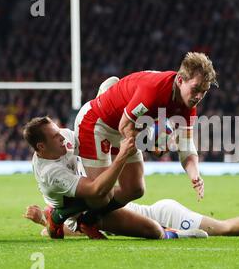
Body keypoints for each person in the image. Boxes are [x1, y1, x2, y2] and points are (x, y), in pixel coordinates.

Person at [23, 116, 208, 240]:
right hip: (79, 211)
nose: (62, 137)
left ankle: (62, 219)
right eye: (56, 137)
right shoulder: (50, 173)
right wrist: (122, 156)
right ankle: (59, 217)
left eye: (59, 132)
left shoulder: (65, 137)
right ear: (41, 147)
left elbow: (95, 147)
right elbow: (96, 189)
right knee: (153, 230)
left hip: (92, 198)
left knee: (134, 190)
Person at [74, 52, 218, 208]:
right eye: (196, 89)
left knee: (135, 189)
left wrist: (195, 175)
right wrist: (152, 146)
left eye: (204, 91)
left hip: (124, 128)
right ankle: (61, 212)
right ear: (180, 80)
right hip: (97, 123)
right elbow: (124, 126)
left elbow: (186, 145)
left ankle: (89, 220)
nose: (198, 97)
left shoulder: (188, 105)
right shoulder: (154, 90)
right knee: (101, 193)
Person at [24, 198, 239, 238]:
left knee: (222, 229)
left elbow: (69, 234)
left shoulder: (85, 210)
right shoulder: (78, 215)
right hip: (157, 218)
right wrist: (43, 223)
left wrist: (43, 223)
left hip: (163, 214)